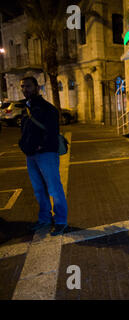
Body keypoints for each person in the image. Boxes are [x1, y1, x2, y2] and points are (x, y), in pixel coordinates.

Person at [18, 76, 68, 236]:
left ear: (37, 88)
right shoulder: (26, 108)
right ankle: (44, 219)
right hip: (31, 155)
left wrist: (41, 145)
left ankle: (60, 221)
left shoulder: (48, 109)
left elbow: (52, 132)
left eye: (28, 86)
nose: (25, 89)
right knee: (39, 190)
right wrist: (24, 145)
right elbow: (25, 131)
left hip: (45, 154)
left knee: (54, 189)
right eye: (23, 87)